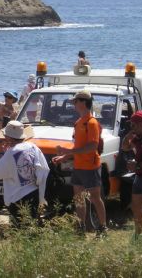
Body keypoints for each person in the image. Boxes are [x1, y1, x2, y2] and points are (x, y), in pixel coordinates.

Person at [53, 90, 107, 235]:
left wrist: (67, 152)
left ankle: (102, 228)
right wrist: (64, 157)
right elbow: (77, 146)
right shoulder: (78, 122)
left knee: (95, 198)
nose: (74, 104)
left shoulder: (92, 122)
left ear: (83, 102)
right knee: (78, 198)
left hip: (90, 166)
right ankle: (80, 227)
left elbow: (92, 146)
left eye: (75, 101)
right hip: (78, 166)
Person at [0, 121, 49, 226]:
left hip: (17, 196)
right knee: (31, 225)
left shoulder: (10, 152)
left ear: (9, 138)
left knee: (19, 227)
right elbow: (44, 168)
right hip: (34, 192)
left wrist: (1, 153)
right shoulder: (32, 147)